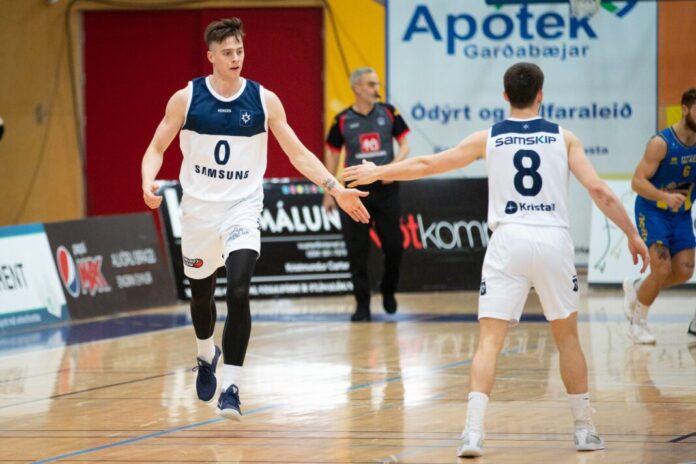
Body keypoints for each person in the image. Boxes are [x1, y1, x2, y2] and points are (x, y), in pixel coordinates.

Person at [343, 62, 649, 457]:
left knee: (489, 341)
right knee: (568, 338)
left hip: (508, 240)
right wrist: (632, 233)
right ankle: (584, 430)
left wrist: (378, 171)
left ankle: (472, 434)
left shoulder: (488, 137)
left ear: (505, 95)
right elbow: (601, 191)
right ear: (541, 94)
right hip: (553, 240)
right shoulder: (565, 138)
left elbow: (427, 164)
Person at [140, 18, 370, 421]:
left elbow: (298, 154)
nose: (236, 58)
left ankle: (231, 387)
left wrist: (335, 188)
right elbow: (156, 147)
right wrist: (147, 182)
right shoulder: (186, 98)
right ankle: (205, 353)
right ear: (211, 56)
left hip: (242, 209)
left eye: (240, 51)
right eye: (227, 52)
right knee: (201, 297)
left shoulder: (264, 101)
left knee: (239, 290)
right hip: (198, 212)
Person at [323, 67, 410, 322]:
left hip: (386, 188)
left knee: (394, 246)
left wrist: (393, 168)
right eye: (371, 84)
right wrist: (329, 191)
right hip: (354, 191)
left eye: (377, 83)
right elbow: (333, 155)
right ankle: (362, 304)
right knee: (357, 251)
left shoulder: (389, 112)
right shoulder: (341, 119)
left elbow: (405, 145)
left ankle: (388, 289)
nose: (376, 88)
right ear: (357, 88)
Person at [623, 88, 696, 343]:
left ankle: (637, 287)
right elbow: (636, 182)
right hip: (653, 211)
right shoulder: (661, 143)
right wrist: (664, 196)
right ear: (685, 109)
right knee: (662, 268)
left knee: (685, 270)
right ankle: (637, 323)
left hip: (681, 215)